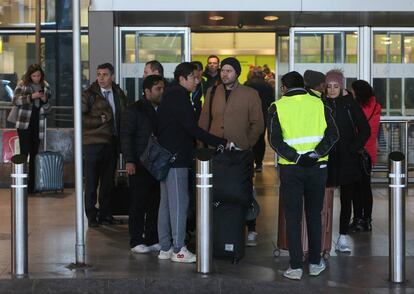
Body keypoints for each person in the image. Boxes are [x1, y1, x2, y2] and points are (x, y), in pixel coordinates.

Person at [268, 71, 338, 280]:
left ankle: (296, 266)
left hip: (291, 169)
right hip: (318, 167)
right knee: (314, 214)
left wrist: (296, 158)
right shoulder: (319, 103)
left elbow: (274, 140)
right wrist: (316, 153)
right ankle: (315, 262)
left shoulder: (277, 107)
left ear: (283, 88)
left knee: (293, 216)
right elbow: (333, 134)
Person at [157, 62, 228, 263]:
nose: (197, 82)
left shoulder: (169, 95)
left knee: (166, 204)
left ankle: (165, 248)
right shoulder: (179, 96)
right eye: (194, 78)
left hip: (166, 158)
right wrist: (219, 141)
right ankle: (179, 249)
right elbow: (191, 128)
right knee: (180, 203)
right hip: (176, 158)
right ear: (182, 78)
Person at [199, 57, 264, 247]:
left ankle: (250, 227)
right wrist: (202, 146)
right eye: (222, 70)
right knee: (217, 191)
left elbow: (258, 124)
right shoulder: (212, 92)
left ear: (237, 73)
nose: (224, 74)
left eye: (229, 70)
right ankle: (219, 229)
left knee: (243, 190)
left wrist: (246, 144)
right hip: (215, 151)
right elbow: (204, 121)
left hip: (240, 152)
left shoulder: (250, 94)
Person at [323, 69, 370, 252]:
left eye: (336, 86)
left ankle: (342, 236)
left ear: (341, 86)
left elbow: (365, 129)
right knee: (323, 199)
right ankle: (322, 237)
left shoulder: (350, 104)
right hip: (327, 158)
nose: (332, 90)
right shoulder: (321, 104)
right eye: (329, 86)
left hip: (347, 159)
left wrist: (353, 148)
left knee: (346, 199)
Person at [121, 75, 165, 253]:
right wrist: (129, 160)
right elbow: (126, 136)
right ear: (147, 91)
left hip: (157, 164)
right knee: (138, 202)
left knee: (156, 202)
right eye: (158, 89)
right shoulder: (134, 110)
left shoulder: (164, 109)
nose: (161, 92)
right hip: (139, 163)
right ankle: (136, 239)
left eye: (163, 88)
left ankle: (153, 237)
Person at [82, 62, 128, 227]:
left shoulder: (118, 93)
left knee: (108, 182)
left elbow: (124, 115)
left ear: (112, 76)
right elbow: (80, 119)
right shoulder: (89, 95)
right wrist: (98, 120)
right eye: (99, 74)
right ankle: (92, 216)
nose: (101, 78)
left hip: (112, 143)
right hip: (93, 143)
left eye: (105, 75)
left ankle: (105, 215)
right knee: (92, 182)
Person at [12, 64, 52, 194]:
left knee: (35, 153)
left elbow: (48, 106)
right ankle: (22, 183)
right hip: (24, 124)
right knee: (24, 153)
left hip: (38, 124)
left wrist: (44, 100)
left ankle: (33, 185)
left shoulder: (45, 86)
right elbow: (16, 100)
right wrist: (32, 97)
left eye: (38, 75)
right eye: (34, 76)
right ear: (30, 75)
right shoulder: (22, 84)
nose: (36, 78)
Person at [349, 80, 381, 232]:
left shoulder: (358, 108)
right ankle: (366, 220)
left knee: (356, 188)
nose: (352, 93)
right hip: (369, 153)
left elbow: (358, 129)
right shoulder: (376, 106)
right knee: (365, 188)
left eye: (353, 91)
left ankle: (358, 219)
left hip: (359, 151)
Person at [244, 66, 274, 172]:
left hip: (248, 116)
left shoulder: (247, 85)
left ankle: (249, 163)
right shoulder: (268, 86)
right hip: (263, 115)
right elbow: (271, 102)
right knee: (260, 140)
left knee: (249, 138)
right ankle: (259, 163)